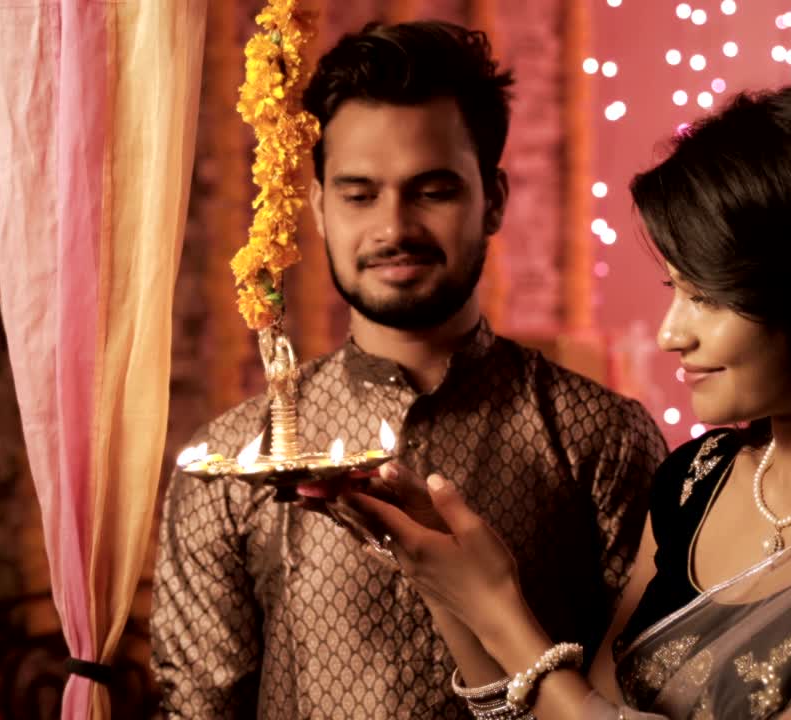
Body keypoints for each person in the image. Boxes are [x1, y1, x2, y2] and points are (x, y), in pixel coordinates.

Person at [348, 86, 791, 718]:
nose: (672, 333)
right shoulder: (696, 480)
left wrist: (500, 609)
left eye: (707, 297)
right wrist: (445, 582)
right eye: (672, 290)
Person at [149, 21, 666, 719]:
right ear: (320, 210)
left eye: (432, 190)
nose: (394, 227)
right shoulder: (237, 469)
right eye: (360, 194)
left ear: (494, 200)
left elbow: (645, 685)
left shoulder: (597, 437)